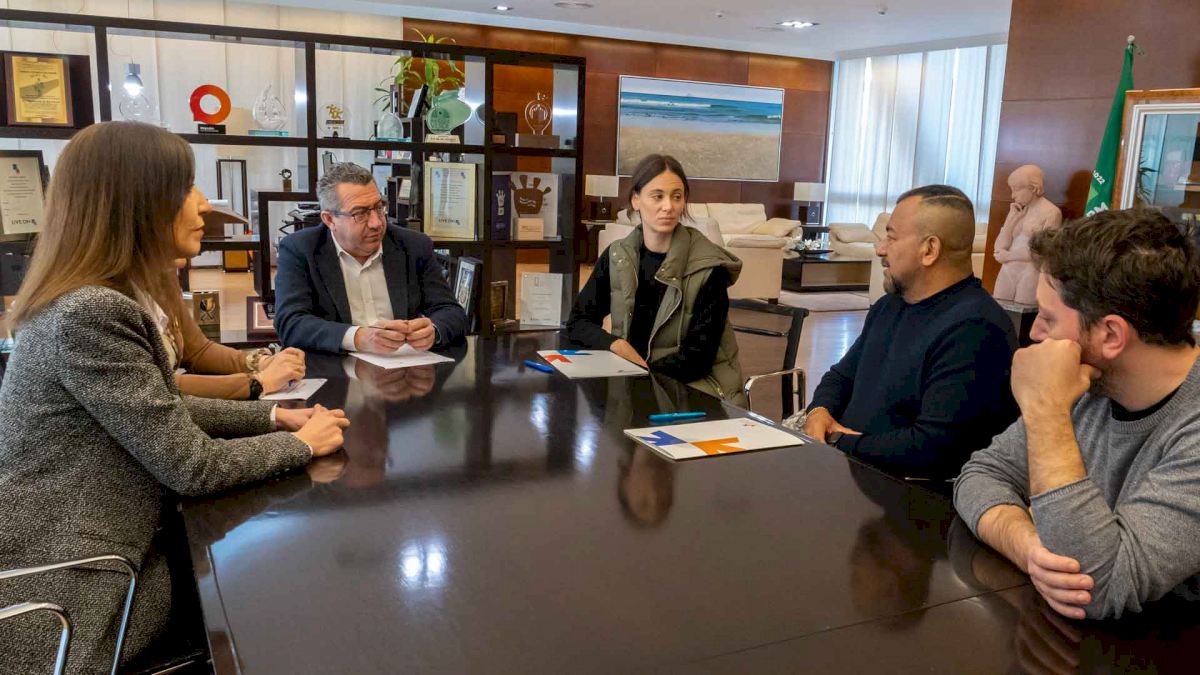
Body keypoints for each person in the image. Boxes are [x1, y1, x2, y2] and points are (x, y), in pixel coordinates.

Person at [0, 121, 350, 674]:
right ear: (137, 203)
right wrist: (302, 444)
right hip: (85, 585)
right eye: (187, 187)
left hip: (107, 549)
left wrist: (273, 417)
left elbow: (161, 406)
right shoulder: (91, 312)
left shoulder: (92, 299)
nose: (203, 203)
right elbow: (192, 466)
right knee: (288, 602)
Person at [954, 208, 1200, 620]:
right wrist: (1030, 548)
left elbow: (1097, 588)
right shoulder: (1088, 384)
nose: (1035, 333)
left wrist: (1046, 410)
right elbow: (981, 474)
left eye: (1048, 318)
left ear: (1110, 335)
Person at [802, 185, 1019, 483]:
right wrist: (819, 412)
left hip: (905, 495)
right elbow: (841, 377)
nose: (880, 249)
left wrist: (840, 441)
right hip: (850, 473)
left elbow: (934, 448)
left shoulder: (976, 330)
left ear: (929, 250)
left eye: (891, 237)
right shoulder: (889, 306)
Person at [565, 154, 746, 404]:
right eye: (657, 196)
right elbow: (578, 323)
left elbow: (697, 360)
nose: (668, 206)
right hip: (635, 387)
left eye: (676, 197)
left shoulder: (709, 267)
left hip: (697, 392)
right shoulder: (618, 257)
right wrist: (615, 345)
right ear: (636, 200)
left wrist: (636, 374)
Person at [273, 162, 467, 354]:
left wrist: (433, 330)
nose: (376, 223)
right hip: (335, 369)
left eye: (379, 207)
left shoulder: (413, 245)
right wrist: (357, 337)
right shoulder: (300, 250)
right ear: (330, 219)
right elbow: (290, 323)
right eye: (360, 214)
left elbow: (452, 312)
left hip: (405, 366)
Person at [175, 305, 306, 399]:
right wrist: (258, 382)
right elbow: (165, 389)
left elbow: (198, 350)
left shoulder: (166, 280)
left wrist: (261, 362)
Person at [993, 164, 1063, 305]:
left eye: (1017, 189)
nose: (1013, 195)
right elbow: (999, 247)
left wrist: (1008, 256)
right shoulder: (1017, 211)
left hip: (1030, 271)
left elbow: (1043, 252)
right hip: (1008, 269)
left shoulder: (1051, 213)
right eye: (1012, 190)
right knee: (998, 307)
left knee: (1022, 311)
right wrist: (1010, 220)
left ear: (1034, 188)